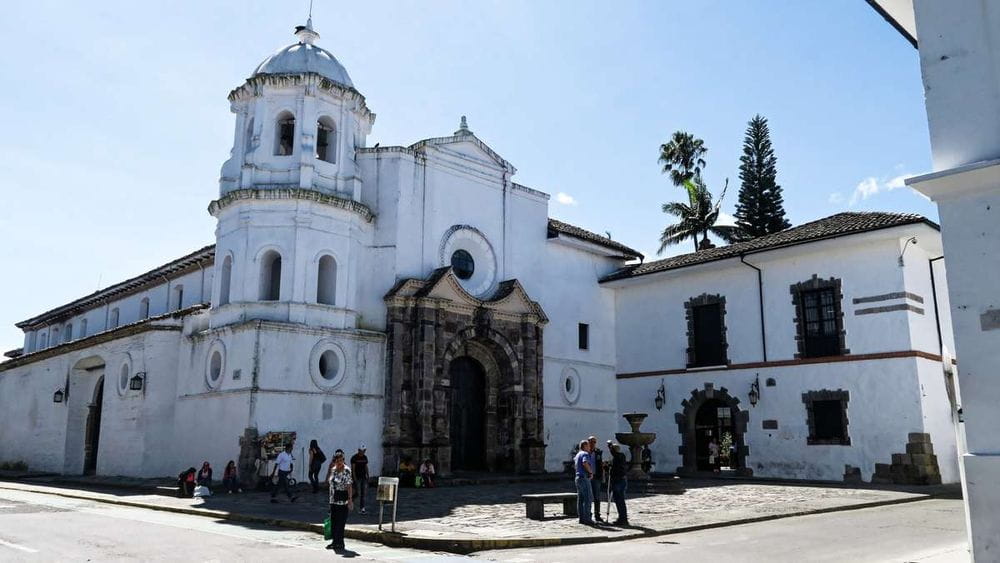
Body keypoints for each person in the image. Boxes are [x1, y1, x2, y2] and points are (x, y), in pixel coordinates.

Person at [325, 450, 354, 551]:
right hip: (333, 499)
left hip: (342, 500)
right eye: (338, 461)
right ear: (335, 461)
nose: (340, 462)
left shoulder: (347, 470)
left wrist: (350, 500)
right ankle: (334, 541)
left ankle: (340, 542)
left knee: (341, 522)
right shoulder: (333, 470)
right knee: (334, 521)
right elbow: (330, 482)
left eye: (341, 460)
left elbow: (349, 485)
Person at [607, 441, 629, 526]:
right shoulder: (621, 457)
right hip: (622, 480)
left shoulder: (618, 456)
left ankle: (622, 519)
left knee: (619, 500)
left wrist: (610, 445)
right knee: (621, 500)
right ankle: (623, 518)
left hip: (618, 481)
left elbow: (613, 452)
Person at [573, 439, 594, 525]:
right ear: (585, 446)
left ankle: (581, 518)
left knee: (580, 499)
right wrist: (590, 472)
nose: (590, 447)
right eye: (588, 446)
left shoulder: (577, 454)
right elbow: (585, 463)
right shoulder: (585, 454)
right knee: (588, 498)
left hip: (578, 477)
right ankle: (587, 519)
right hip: (584, 477)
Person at [587, 436, 604, 522]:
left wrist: (602, 476)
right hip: (587, 477)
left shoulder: (598, 452)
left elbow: (600, 465)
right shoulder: (585, 452)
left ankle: (597, 514)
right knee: (588, 497)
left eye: (594, 442)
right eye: (591, 442)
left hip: (596, 477)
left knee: (597, 497)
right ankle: (588, 514)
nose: (593, 444)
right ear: (588, 442)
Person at [350, 445, 370, 514]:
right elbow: (353, 469)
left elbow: (366, 467)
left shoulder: (365, 457)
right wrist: (354, 477)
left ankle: (362, 508)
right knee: (357, 492)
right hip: (357, 477)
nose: (363, 452)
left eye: (364, 450)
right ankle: (350, 500)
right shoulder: (354, 458)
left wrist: (368, 475)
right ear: (358, 450)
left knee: (363, 493)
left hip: (363, 477)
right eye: (361, 450)